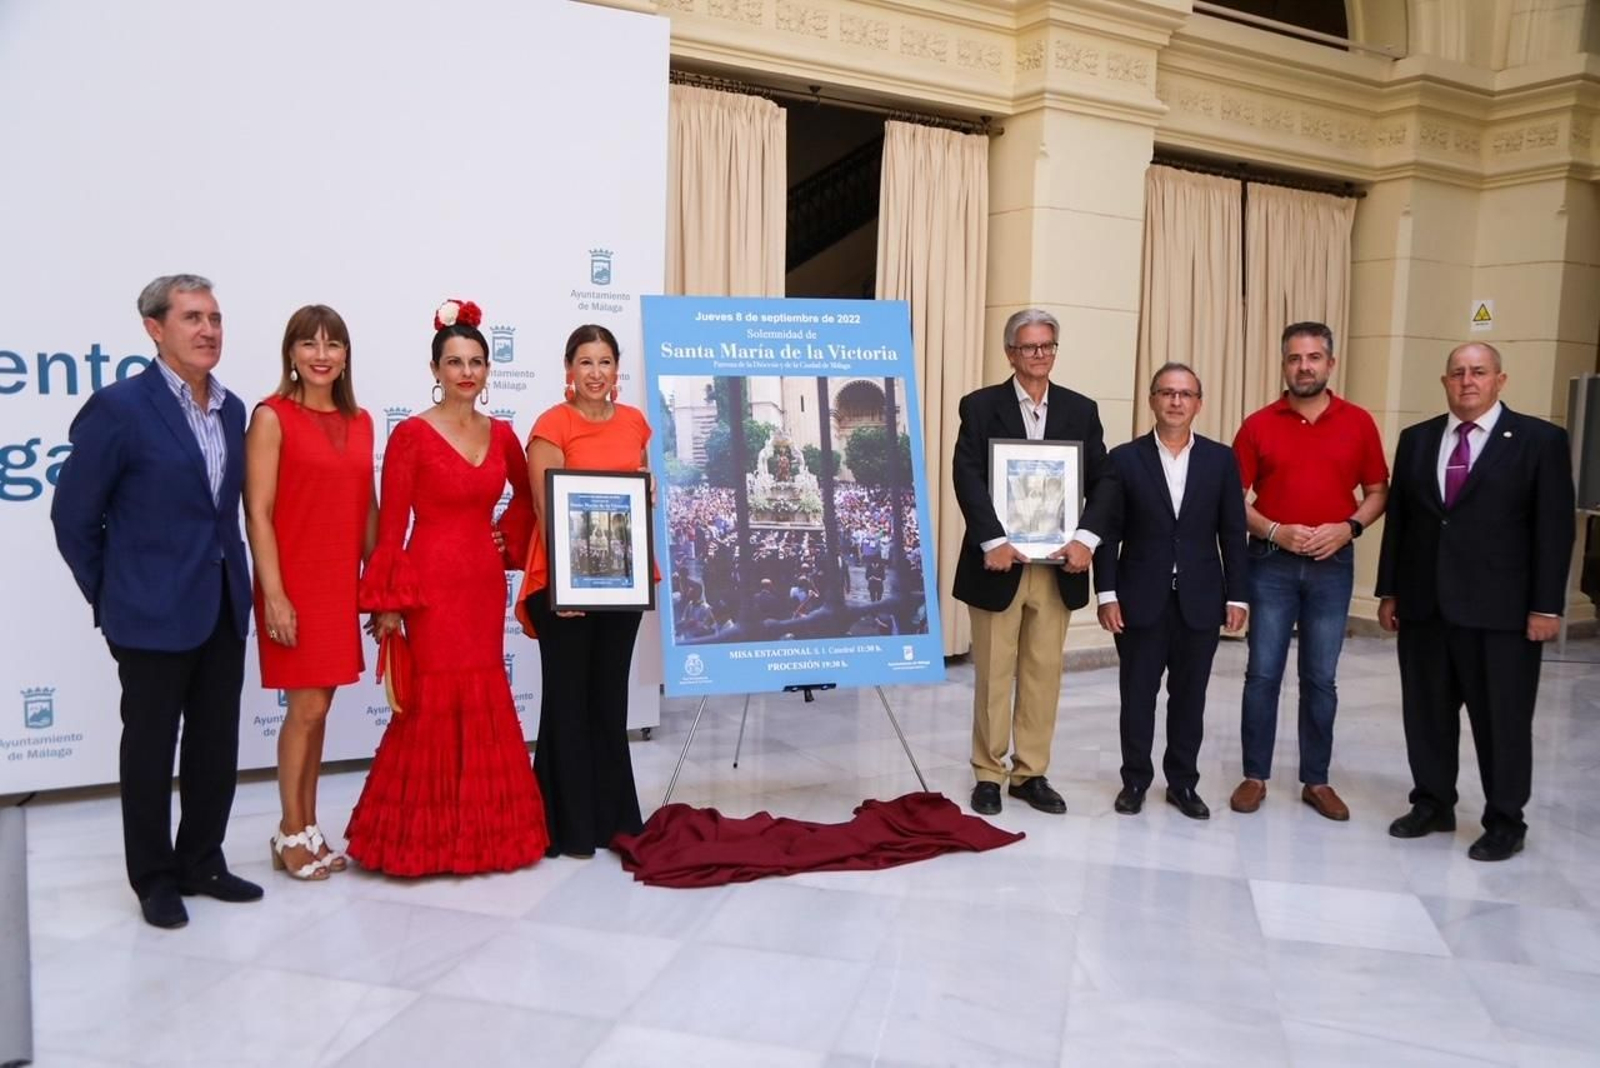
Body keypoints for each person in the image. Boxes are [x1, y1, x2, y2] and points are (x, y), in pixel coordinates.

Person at [51, 274, 262, 929]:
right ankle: (154, 879)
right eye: (193, 317)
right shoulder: (120, 408)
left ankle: (203, 860)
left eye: (216, 318)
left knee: (214, 745)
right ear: (154, 328)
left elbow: (221, 512)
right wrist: (112, 595)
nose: (208, 330)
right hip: (147, 613)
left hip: (221, 604)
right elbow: (73, 518)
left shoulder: (232, 408)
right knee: (147, 751)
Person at [345, 298, 548, 875]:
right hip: (431, 585)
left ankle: (485, 834)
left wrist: (506, 541)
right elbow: (392, 529)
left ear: (487, 371)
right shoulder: (411, 435)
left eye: (476, 362)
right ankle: (421, 839)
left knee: (483, 688)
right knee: (431, 699)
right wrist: (388, 604)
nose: (466, 372)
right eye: (454, 361)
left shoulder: (503, 433)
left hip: (482, 585)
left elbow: (529, 502)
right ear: (435, 370)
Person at [1377, 342, 1574, 861]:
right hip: (1424, 608)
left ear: (1500, 380)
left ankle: (1506, 819)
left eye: (1479, 372)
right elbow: (1401, 521)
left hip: (1502, 613)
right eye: (1458, 373)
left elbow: (1553, 531)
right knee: (1426, 715)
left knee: (1502, 720)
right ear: (1445, 382)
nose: (1467, 381)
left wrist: (1546, 607)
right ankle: (1433, 803)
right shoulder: (1417, 441)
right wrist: (1390, 590)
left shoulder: (1539, 440)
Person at [952, 308, 1114, 816]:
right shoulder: (980, 407)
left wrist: (1087, 537)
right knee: (995, 673)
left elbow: (1104, 480)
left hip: (1057, 565)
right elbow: (968, 476)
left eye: (1047, 346)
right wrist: (992, 540)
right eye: (1029, 347)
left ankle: (1030, 773)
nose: (1039, 355)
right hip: (999, 563)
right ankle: (987, 772)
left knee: (1044, 672)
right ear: (1010, 354)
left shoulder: (1081, 410)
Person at [1229, 321, 1388, 821]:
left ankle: (1316, 781)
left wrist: (1349, 528)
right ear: (1284, 366)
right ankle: (1254, 776)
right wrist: (1275, 530)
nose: (1305, 366)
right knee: (1262, 674)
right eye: (1295, 358)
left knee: (1321, 678)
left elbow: (1378, 491)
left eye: (1314, 357)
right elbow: (1233, 503)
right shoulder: (1258, 424)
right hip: (1271, 564)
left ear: (1330, 364)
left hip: (1333, 564)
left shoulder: (1358, 422)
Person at [243, 305, 376, 880]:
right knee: (306, 708)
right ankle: (288, 831)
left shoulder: (362, 420)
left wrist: (382, 583)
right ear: (291, 354)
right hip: (294, 582)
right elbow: (259, 512)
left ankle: (309, 826)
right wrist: (274, 595)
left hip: (340, 584)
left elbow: (367, 509)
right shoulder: (272, 417)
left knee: (320, 711)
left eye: (333, 345)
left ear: (346, 356)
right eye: (309, 344)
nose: (321, 355)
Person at [516, 324, 653, 858]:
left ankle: (612, 821)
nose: (596, 373)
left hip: (622, 579)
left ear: (617, 369)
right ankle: (566, 826)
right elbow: (547, 508)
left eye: (605, 362)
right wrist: (563, 585)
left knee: (609, 702)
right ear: (568, 369)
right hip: (563, 580)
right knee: (568, 702)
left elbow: (633, 488)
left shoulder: (636, 422)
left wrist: (648, 491)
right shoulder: (553, 423)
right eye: (585, 362)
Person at [1093, 364, 1248, 819]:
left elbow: (1232, 531)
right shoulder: (1124, 459)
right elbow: (1108, 530)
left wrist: (1237, 595)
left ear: (1199, 403)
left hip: (1201, 600)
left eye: (1186, 394)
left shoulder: (1220, 460)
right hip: (1140, 598)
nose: (1176, 402)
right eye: (1167, 393)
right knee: (1137, 695)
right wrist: (1106, 594)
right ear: (1152, 400)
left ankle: (1183, 783)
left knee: (1189, 697)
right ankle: (1135, 781)